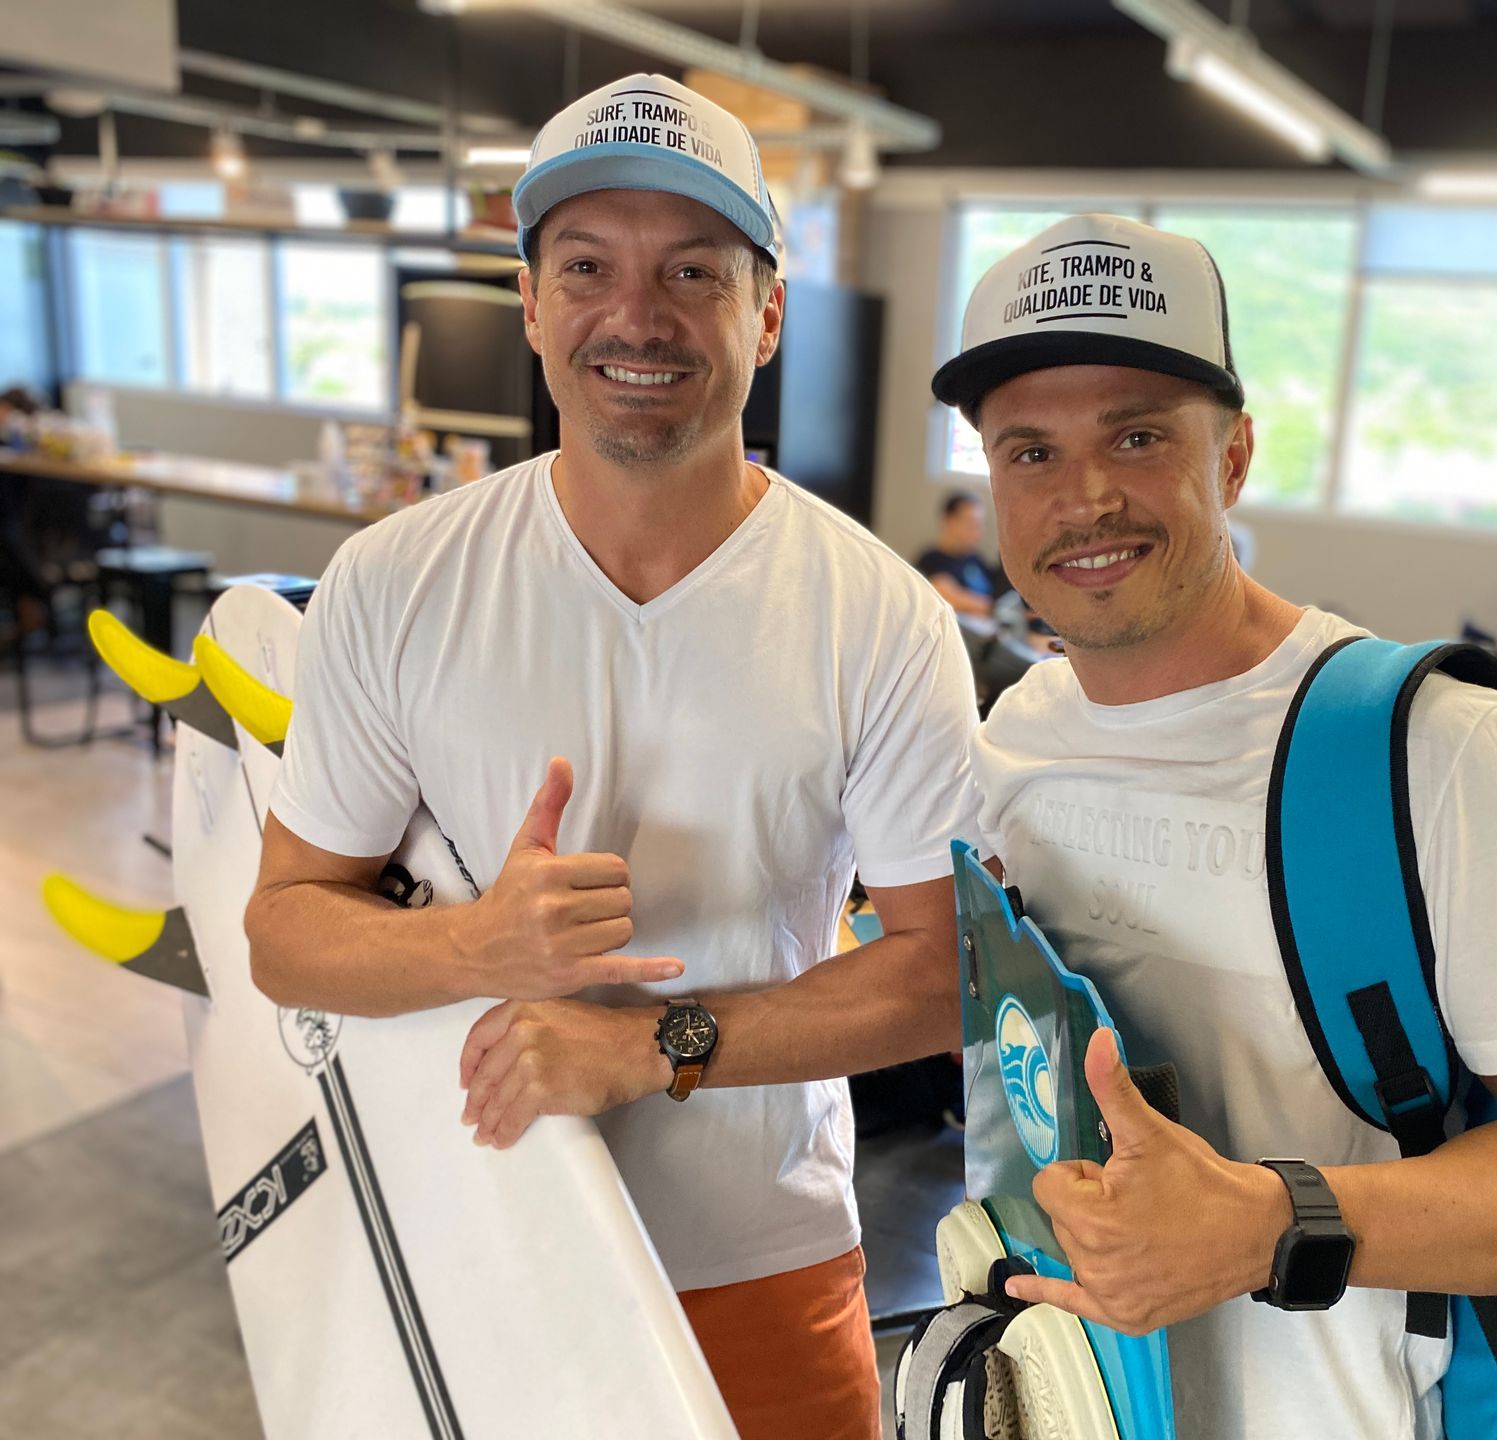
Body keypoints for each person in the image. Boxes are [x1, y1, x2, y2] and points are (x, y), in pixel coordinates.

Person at [245, 73, 980, 1440]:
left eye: (692, 269)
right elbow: (285, 930)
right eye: (587, 265)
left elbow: (941, 979)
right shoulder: (391, 584)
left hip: (763, 1258)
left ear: (766, 311)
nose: (635, 314)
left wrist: (653, 1046)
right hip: (468, 1227)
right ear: (530, 302)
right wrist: (481, 950)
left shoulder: (881, 618)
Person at [930, 213, 1497, 1438]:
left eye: (1137, 436)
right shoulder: (1021, 732)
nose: (1082, 497)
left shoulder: (1424, 748)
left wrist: (1267, 1223)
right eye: (1028, 451)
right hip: (1087, 1399)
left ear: (1233, 458)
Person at [914, 490, 999, 619]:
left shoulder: (975, 558)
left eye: (980, 525)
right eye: (972, 524)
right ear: (949, 521)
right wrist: (997, 609)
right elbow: (948, 597)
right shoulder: (931, 562)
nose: (979, 532)